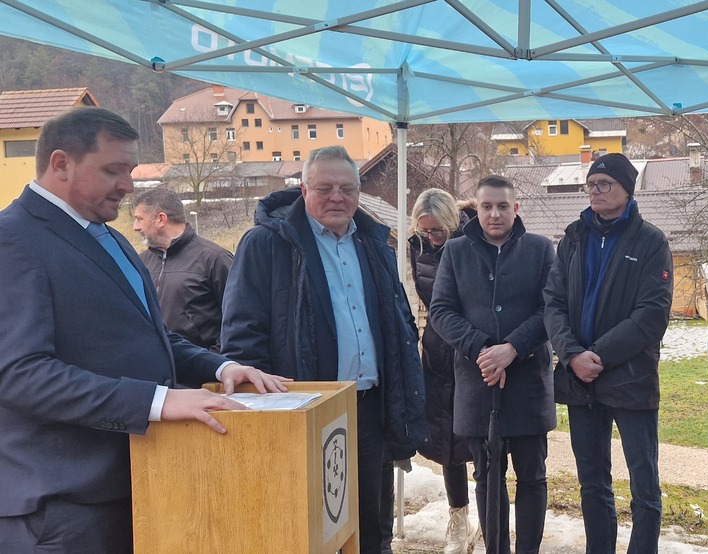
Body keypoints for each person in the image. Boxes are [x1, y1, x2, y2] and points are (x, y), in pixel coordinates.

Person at [0, 107, 287, 552]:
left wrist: (222, 366)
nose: (129, 186)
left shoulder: (108, 237)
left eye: (130, 171)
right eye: (113, 170)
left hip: (135, 483)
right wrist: (157, 401)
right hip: (61, 507)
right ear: (61, 164)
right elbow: (20, 374)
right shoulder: (12, 240)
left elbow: (150, 334)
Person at [221, 145, 429, 554]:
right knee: (310, 525)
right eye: (325, 188)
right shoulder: (267, 244)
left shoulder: (374, 243)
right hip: (302, 410)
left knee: (371, 525)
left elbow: (399, 320)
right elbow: (242, 334)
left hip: (368, 406)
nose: (337, 197)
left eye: (347, 189)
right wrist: (263, 411)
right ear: (303, 190)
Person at [544, 152, 673, 554]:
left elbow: (651, 314)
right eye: (591, 185)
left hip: (631, 379)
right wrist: (571, 355)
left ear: (627, 189)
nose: (595, 191)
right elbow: (553, 302)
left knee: (644, 485)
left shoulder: (651, 241)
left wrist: (596, 356)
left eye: (604, 184)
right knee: (593, 483)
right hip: (580, 382)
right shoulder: (573, 237)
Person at [428, 175, 556, 554]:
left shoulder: (540, 249)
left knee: (532, 476)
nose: (494, 214)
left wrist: (513, 348)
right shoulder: (456, 251)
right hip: (478, 380)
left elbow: (551, 308)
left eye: (502, 206)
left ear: (515, 208)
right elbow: (441, 310)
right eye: (487, 206)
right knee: (486, 477)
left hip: (528, 381)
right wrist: (483, 349)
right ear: (477, 209)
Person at [389, 188, 477, 554]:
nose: (431, 236)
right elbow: (427, 300)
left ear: (451, 221)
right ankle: (459, 519)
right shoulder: (417, 245)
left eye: (437, 230)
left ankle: (492, 513)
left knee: (482, 438)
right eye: (425, 230)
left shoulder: (476, 237)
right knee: (447, 440)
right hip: (439, 351)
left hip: (476, 346)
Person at [132, 187, 233, 351]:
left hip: (204, 364)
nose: (135, 227)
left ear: (161, 219)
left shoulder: (215, 259)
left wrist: (212, 360)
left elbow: (240, 318)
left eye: (139, 219)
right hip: (154, 363)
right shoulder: (140, 261)